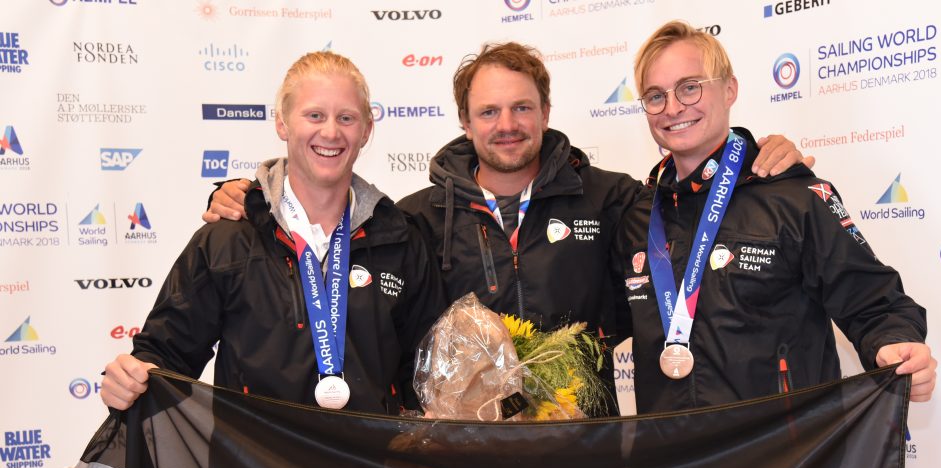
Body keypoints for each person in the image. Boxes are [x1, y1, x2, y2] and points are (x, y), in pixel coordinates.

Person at [203, 42, 811, 414]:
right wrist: (250, 198)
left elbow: (693, 210)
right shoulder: (411, 219)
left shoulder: (614, 199)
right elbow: (330, 239)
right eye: (488, 111)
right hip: (464, 467)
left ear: (546, 112)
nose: (507, 124)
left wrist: (757, 160)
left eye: (522, 107)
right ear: (466, 124)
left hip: (583, 461)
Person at [100, 51, 446, 414]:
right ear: (282, 123)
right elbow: (164, 356)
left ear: (366, 131)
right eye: (314, 115)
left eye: (346, 118)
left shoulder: (399, 239)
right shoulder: (230, 239)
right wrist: (132, 380)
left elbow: (427, 374)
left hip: (370, 467)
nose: (330, 131)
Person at [619, 21, 936, 414]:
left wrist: (895, 343)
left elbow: (875, 304)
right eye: (655, 96)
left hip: (784, 462)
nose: (673, 108)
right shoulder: (637, 215)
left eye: (689, 87)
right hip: (672, 461)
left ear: (729, 89)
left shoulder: (793, 197)